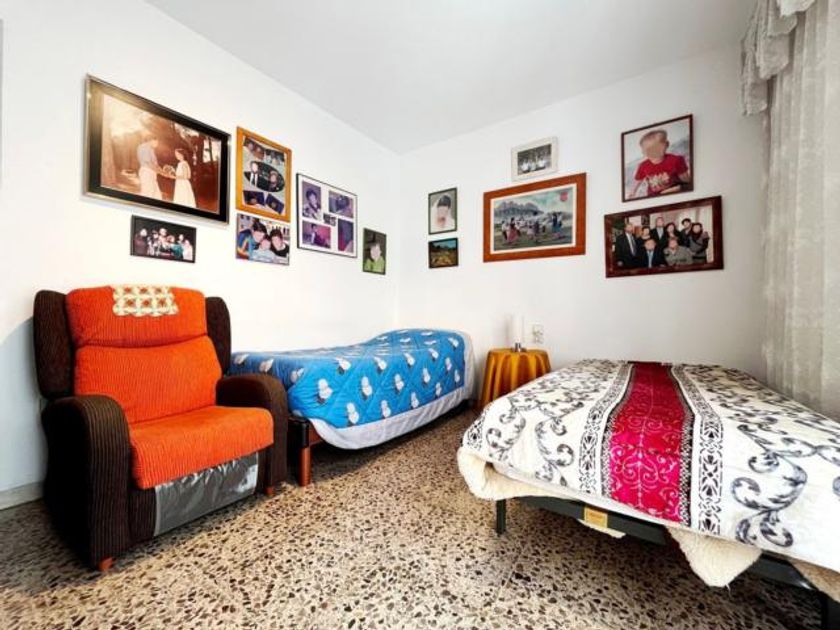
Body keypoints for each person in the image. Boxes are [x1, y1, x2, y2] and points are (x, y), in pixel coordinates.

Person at [629, 129, 691, 198]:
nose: (653, 154)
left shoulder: (676, 160)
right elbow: (638, 180)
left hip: (673, 191)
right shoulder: (643, 165)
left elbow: (685, 179)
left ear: (666, 145)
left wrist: (686, 187)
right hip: (653, 195)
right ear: (643, 152)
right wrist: (633, 191)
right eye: (648, 151)